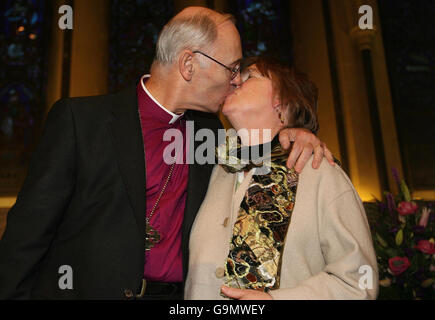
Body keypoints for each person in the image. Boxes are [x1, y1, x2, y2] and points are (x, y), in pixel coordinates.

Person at [0, 7, 333, 299]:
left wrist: (293, 133)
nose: (235, 81)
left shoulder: (211, 134)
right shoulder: (81, 120)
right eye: (231, 68)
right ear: (188, 64)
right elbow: (25, 238)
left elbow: (258, 162)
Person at [185, 56, 379, 300]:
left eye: (249, 76)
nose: (234, 80)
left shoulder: (319, 172)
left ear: (282, 102)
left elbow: (359, 282)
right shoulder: (217, 170)